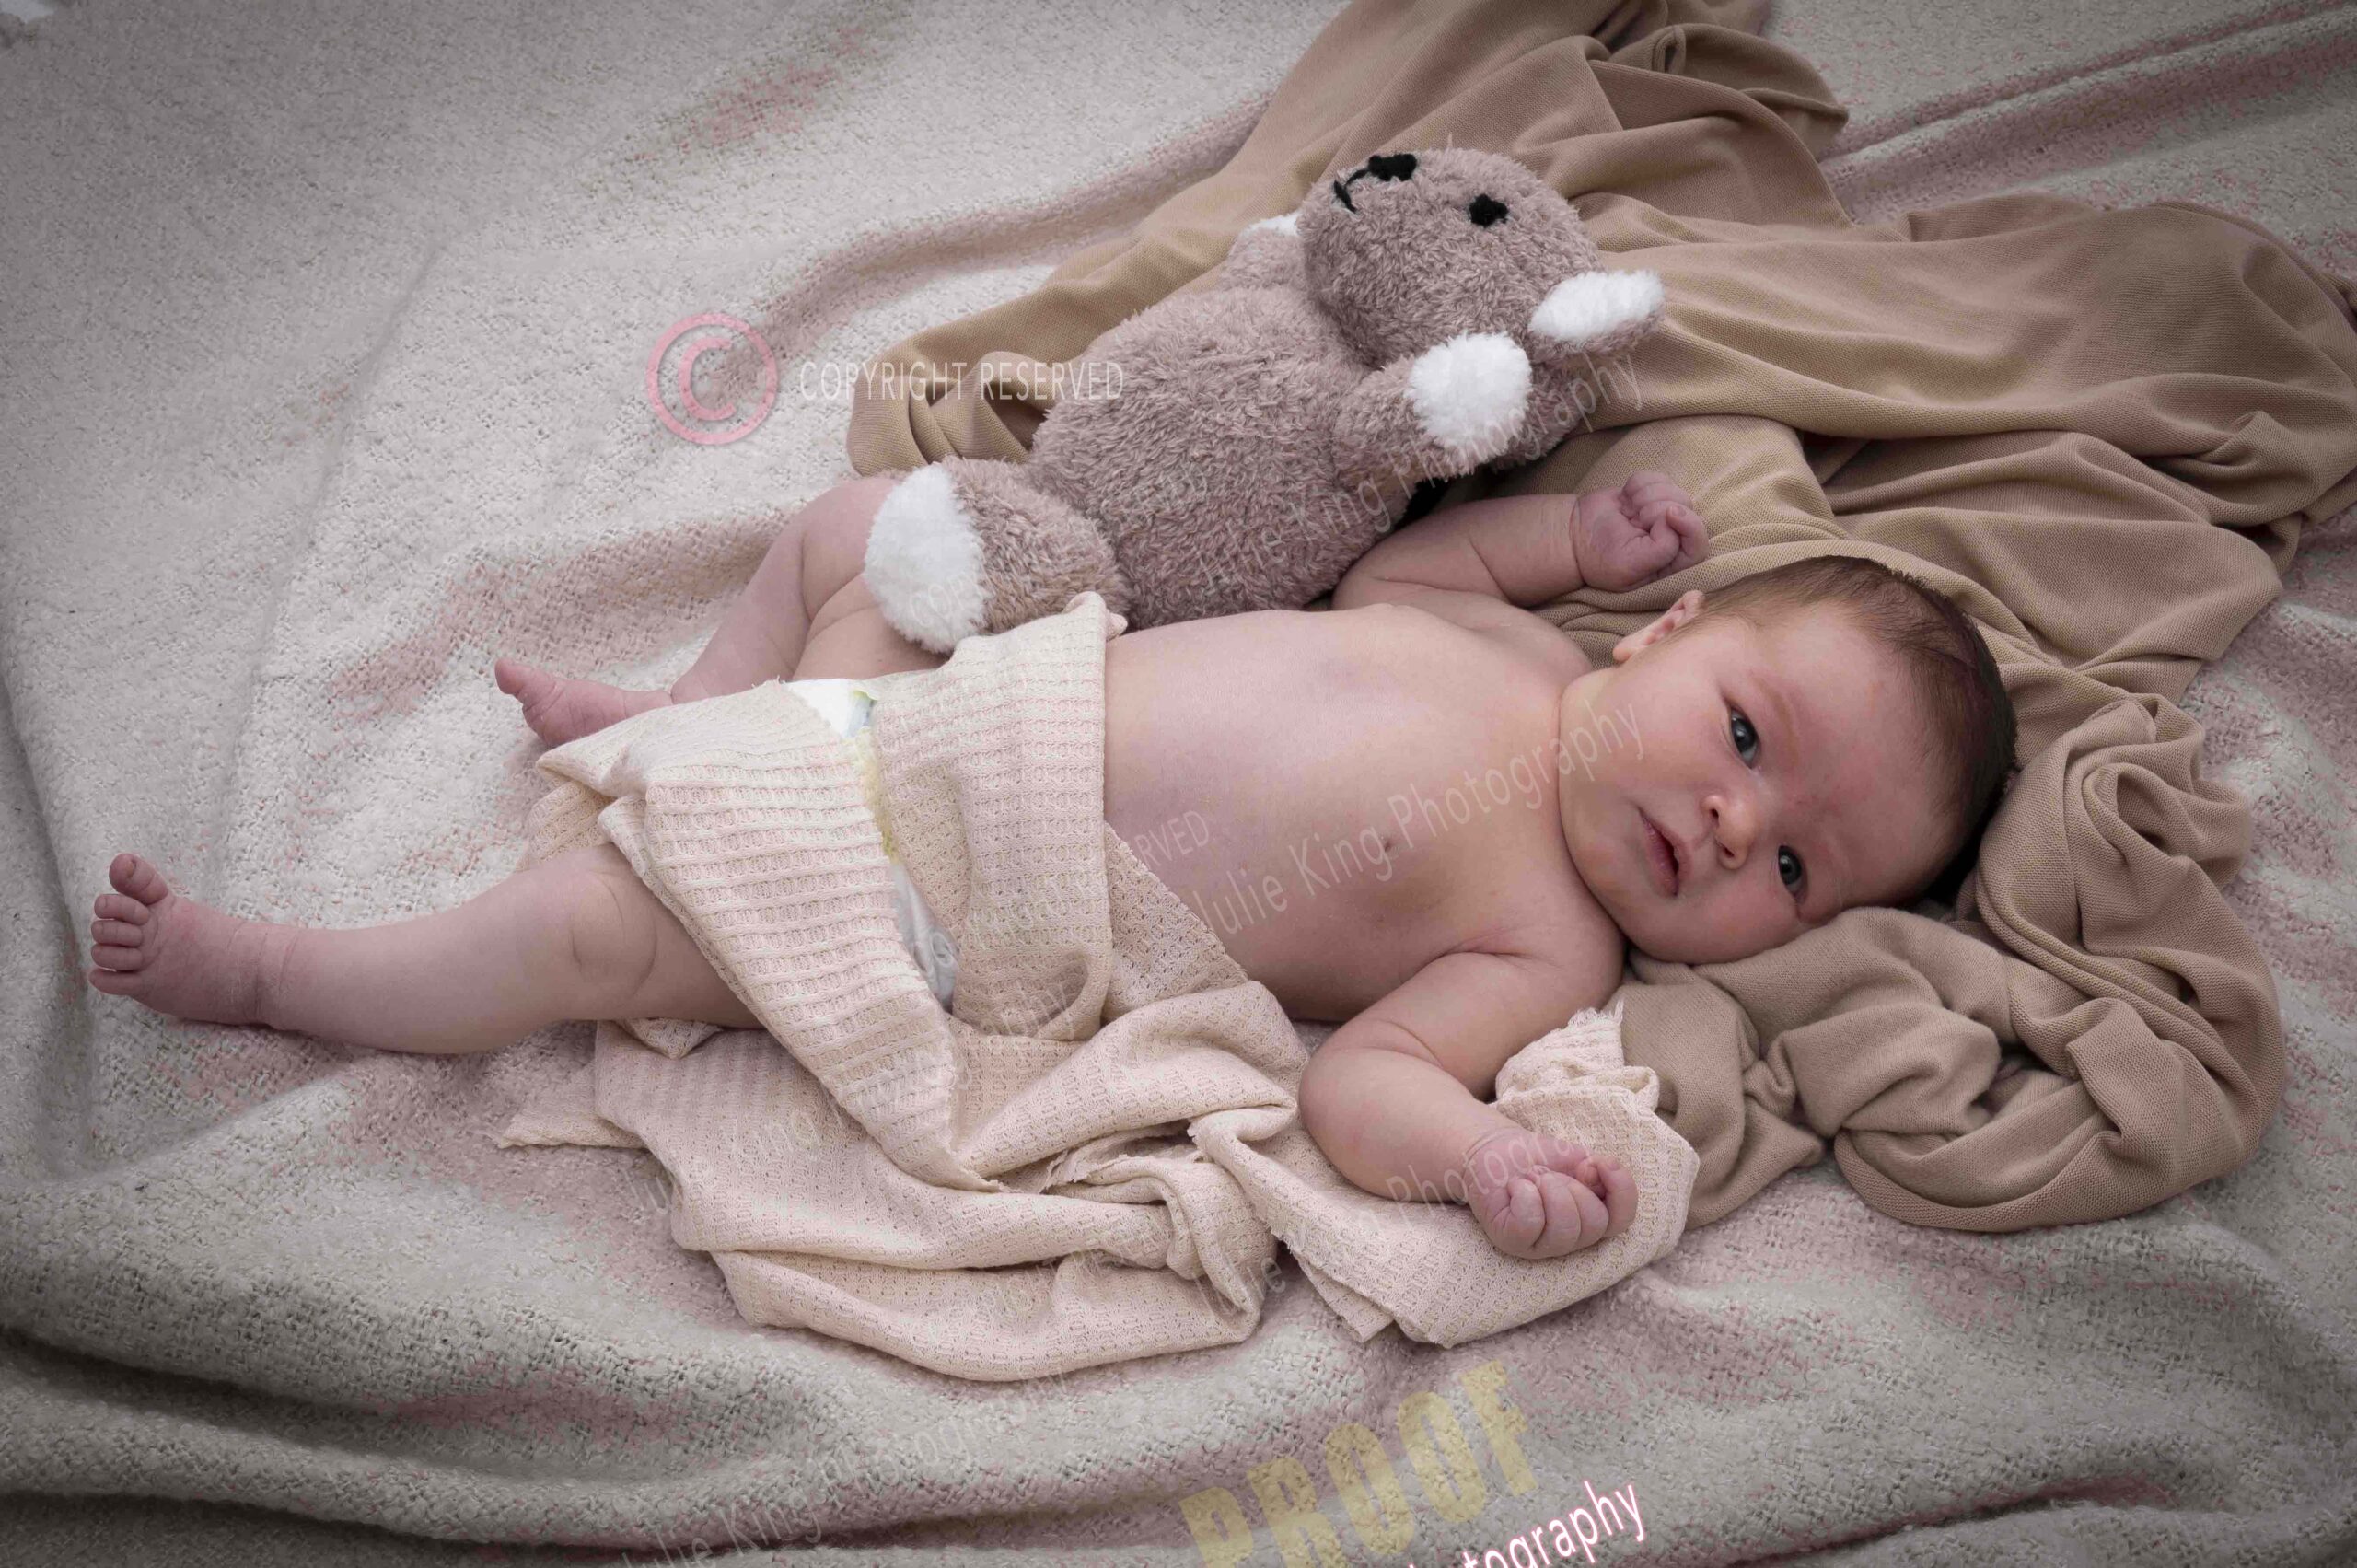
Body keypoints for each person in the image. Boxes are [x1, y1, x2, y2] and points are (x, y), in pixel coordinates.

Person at [83, 470, 2014, 1262]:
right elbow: (1404, 565)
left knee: (592, 934)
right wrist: (1573, 537)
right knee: (862, 522)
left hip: (950, 890)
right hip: (949, 712)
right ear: (1672, 639)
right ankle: (668, 716)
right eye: (1748, 740)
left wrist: (1480, 1156)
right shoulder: (1518, 645)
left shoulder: (1551, 942)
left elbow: (1363, 1084)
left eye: (1793, 876)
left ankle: (280, 974)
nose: (1732, 826)